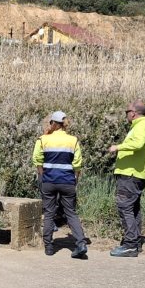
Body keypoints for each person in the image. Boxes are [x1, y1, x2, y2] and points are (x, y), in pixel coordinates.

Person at [32, 111, 88, 259]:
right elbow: (77, 163)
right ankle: (81, 243)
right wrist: (75, 179)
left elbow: (37, 158)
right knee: (71, 212)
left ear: (53, 124)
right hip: (67, 181)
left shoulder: (43, 139)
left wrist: (41, 174)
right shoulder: (73, 140)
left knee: (49, 212)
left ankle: (49, 247)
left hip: (49, 181)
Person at [106, 101, 145, 257]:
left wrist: (118, 147)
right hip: (135, 174)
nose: (126, 114)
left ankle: (130, 245)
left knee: (125, 207)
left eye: (126, 111)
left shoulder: (141, 126)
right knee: (133, 209)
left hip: (131, 174)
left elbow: (138, 144)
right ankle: (135, 242)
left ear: (133, 113)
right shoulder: (143, 126)